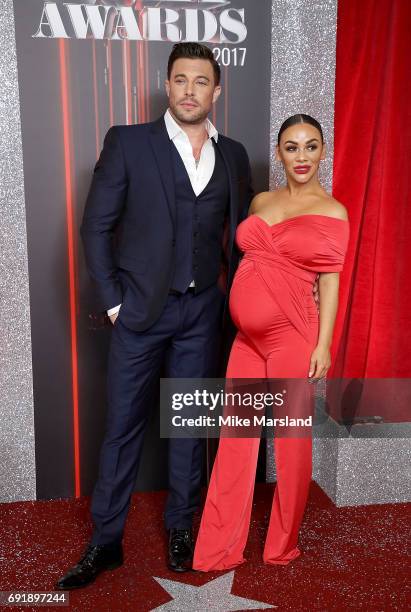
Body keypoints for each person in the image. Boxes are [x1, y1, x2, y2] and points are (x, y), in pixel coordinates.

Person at [56, 42, 253, 590]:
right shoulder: (129, 142)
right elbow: (95, 227)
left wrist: (244, 300)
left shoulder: (233, 155)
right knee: (122, 426)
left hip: (201, 313)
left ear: (217, 90)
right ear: (168, 85)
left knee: (188, 428)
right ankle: (105, 541)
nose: (190, 90)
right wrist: (116, 301)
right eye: (181, 80)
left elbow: (240, 239)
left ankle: (181, 529)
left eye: (201, 81)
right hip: (140, 312)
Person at [192, 114, 349, 570]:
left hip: (294, 337)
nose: (302, 156)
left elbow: (331, 283)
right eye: (292, 147)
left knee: (291, 444)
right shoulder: (260, 199)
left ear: (323, 152)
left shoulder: (332, 210)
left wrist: (325, 344)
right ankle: (220, 548)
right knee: (235, 438)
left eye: (311, 146)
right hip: (246, 338)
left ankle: (281, 545)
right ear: (279, 153)